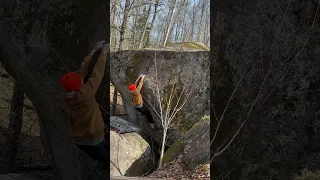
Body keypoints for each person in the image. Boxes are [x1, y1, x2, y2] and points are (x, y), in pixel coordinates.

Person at [59, 41, 109, 164]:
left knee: (95, 156)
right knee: (106, 159)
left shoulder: (65, 96)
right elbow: (97, 74)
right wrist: (103, 53)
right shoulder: (86, 93)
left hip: (78, 140)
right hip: (94, 139)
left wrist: (93, 51)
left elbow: (82, 71)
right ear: (80, 84)